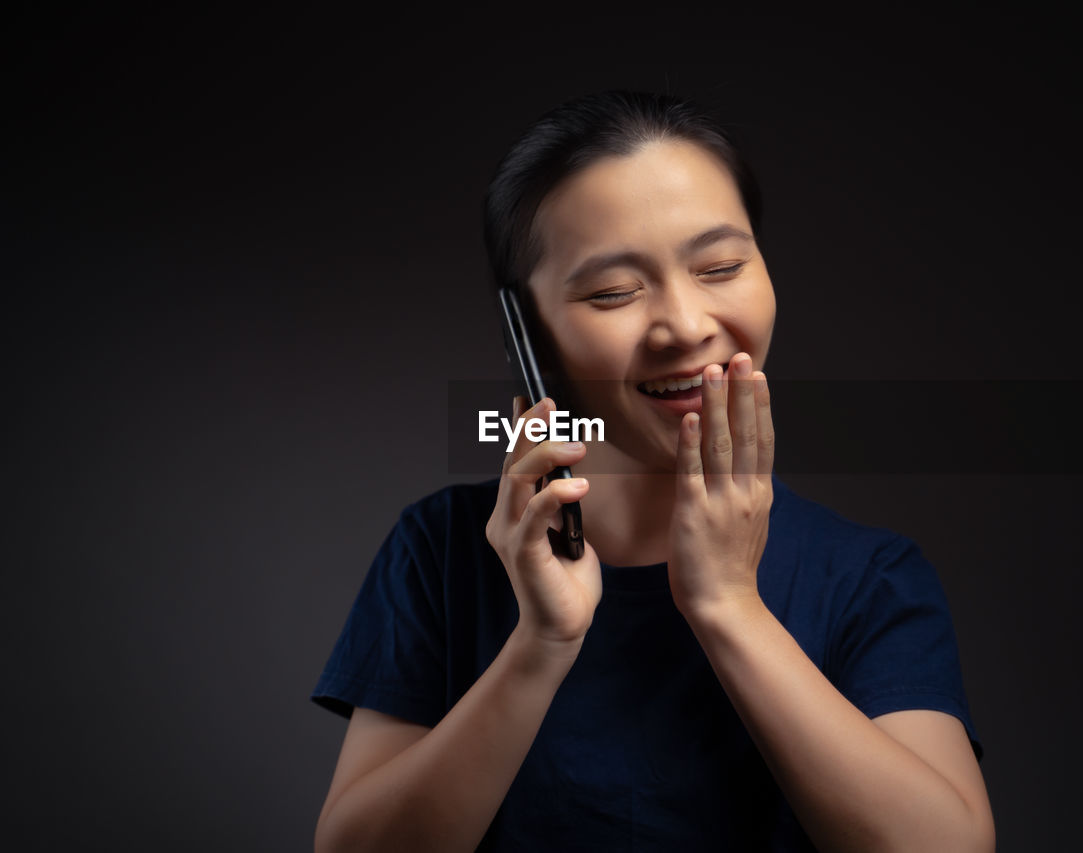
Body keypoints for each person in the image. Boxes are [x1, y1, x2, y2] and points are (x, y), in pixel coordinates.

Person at [310, 90, 995, 852]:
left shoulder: (870, 576)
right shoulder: (438, 550)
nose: (687, 326)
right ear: (526, 336)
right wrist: (541, 643)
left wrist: (731, 606)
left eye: (722, 266)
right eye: (614, 292)